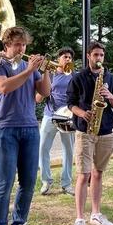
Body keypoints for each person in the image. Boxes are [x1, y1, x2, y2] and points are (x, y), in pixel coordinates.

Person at [0, 26, 51, 225]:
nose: (21, 48)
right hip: (4, 129)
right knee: (4, 182)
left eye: (24, 44)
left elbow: (45, 92)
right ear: (7, 45)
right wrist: (29, 70)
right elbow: (4, 87)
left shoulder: (29, 67)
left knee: (29, 180)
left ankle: (19, 223)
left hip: (30, 127)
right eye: (17, 44)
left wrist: (44, 71)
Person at [67, 41, 113, 225]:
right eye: (95, 55)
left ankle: (96, 214)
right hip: (85, 130)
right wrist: (82, 113)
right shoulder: (78, 78)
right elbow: (70, 103)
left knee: (98, 173)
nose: (98, 58)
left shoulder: (111, 78)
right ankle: (79, 218)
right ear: (88, 56)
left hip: (106, 130)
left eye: (101, 55)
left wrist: (109, 95)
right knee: (84, 175)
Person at [36, 46, 75, 196]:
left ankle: (67, 183)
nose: (67, 59)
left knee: (69, 150)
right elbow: (38, 98)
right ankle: (46, 181)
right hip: (50, 114)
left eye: (70, 57)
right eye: (65, 57)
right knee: (43, 148)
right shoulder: (50, 75)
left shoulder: (74, 76)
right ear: (58, 59)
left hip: (68, 116)